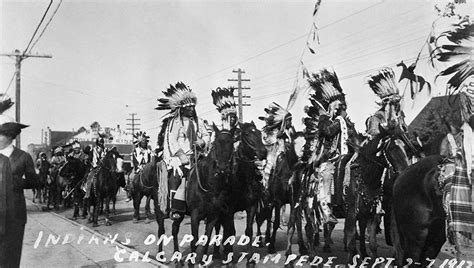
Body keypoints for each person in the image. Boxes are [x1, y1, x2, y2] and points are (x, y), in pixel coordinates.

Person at [306, 69, 358, 235]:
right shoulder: (324, 119)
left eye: (341, 106)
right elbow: (327, 132)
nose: (340, 108)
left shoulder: (345, 121)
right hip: (328, 157)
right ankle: (327, 209)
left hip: (346, 156)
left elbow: (354, 137)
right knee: (327, 174)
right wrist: (339, 121)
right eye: (337, 106)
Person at [155, 82, 210, 219]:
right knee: (176, 177)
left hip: (197, 155)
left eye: (193, 107)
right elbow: (171, 140)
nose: (191, 109)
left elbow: (206, 135)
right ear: (181, 109)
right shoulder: (175, 122)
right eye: (188, 107)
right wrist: (181, 155)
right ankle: (176, 208)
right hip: (179, 158)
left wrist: (202, 141)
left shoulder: (199, 122)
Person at [0, 95, 36, 267]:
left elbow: (35, 181)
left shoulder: (23, 157)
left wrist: (18, 183)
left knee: (11, 259)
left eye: (1, 134)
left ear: (10, 136)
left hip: (14, 217)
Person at [259, 102, 295, 188]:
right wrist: (277, 136)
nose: (290, 122)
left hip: (287, 155)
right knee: (269, 168)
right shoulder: (272, 132)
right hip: (273, 155)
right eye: (289, 120)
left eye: (291, 120)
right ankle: (266, 188)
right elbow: (266, 141)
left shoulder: (290, 132)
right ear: (283, 122)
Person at [125, 131, 153, 202]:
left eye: (145, 142)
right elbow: (134, 159)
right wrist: (138, 166)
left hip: (147, 167)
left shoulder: (148, 150)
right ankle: (129, 193)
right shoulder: (136, 150)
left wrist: (148, 166)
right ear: (140, 143)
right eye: (143, 142)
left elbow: (150, 159)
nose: (144, 143)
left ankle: (155, 193)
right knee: (131, 176)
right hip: (138, 167)